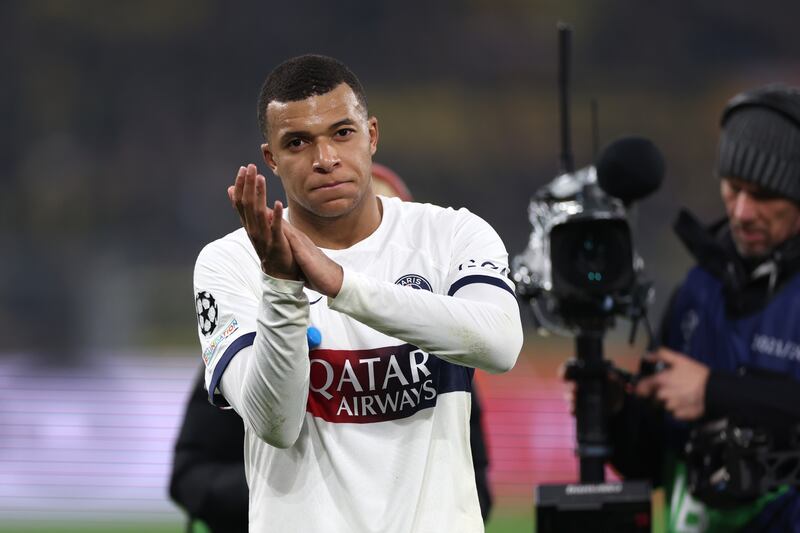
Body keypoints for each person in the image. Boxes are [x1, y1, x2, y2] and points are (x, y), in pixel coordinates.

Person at [192, 54, 522, 532]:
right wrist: (282, 284)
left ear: (371, 135)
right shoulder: (231, 262)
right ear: (272, 158)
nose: (325, 159)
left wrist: (343, 285)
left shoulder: (452, 236)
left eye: (341, 133)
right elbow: (276, 424)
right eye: (299, 142)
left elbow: (501, 344)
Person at [172, 163, 497, 532]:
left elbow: (477, 487)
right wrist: (291, 491)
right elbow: (190, 475)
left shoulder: (443, 354)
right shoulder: (256, 341)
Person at [601, 84, 800, 532]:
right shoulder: (698, 291)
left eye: (766, 195)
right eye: (733, 188)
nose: (743, 211)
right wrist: (617, 412)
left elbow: (711, 392)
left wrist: (714, 391)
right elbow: (647, 465)